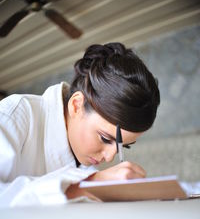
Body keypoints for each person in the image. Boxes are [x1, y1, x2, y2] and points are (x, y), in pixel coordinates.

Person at [0, 42, 160, 207]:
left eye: (123, 146)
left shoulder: (86, 166)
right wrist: (85, 187)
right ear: (76, 105)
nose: (109, 157)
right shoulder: (14, 115)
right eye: (105, 139)